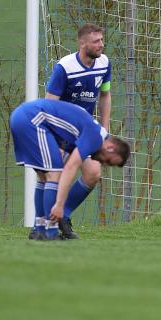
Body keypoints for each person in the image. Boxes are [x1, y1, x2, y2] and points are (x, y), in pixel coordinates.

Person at [10, 99, 129, 240]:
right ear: (110, 148)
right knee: (53, 174)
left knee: (44, 177)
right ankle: (51, 232)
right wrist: (59, 205)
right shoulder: (96, 137)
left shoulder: (93, 131)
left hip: (23, 116)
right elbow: (70, 168)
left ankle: (40, 229)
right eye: (108, 161)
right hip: (33, 120)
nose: (103, 163)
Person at [43, 23, 112, 239]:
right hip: (62, 131)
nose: (101, 44)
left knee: (93, 173)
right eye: (96, 41)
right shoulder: (64, 67)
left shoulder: (104, 63)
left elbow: (105, 94)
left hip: (85, 131)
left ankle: (64, 215)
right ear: (82, 44)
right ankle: (45, 227)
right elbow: (49, 103)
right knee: (54, 176)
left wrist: (104, 129)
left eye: (102, 40)